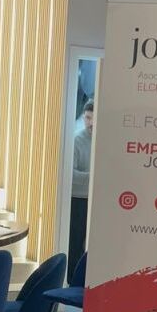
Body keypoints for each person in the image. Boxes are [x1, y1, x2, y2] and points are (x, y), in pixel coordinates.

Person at [68, 100, 94, 283]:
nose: (90, 122)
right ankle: (72, 280)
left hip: (97, 199)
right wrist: (94, 176)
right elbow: (70, 174)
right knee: (76, 242)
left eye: (93, 118)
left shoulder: (106, 140)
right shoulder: (77, 140)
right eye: (87, 118)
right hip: (78, 199)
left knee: (92, 242)